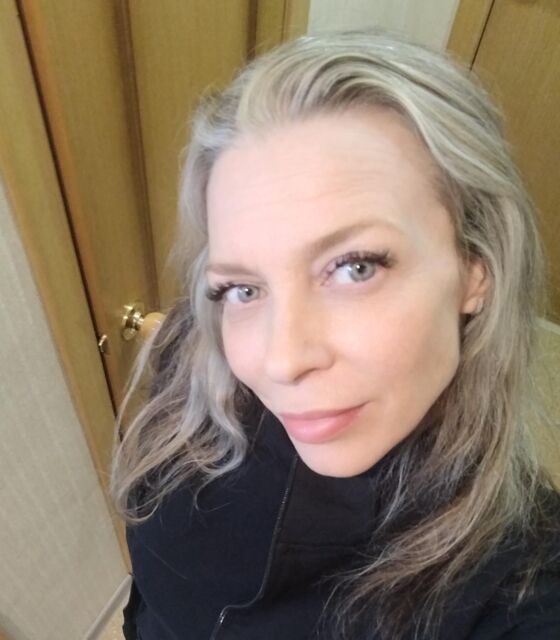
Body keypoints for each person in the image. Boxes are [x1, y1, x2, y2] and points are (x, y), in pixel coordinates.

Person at [109, 29, 560, 640]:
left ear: (476, 270)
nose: (280, 360)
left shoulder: (523, 588)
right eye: (242, 288)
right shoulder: (194, 348)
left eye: (355, 268)